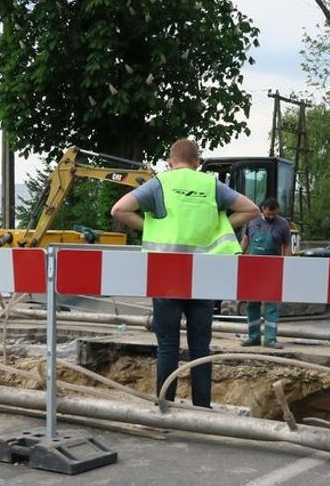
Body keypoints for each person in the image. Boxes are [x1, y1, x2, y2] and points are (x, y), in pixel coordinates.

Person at [111, 138, 260, 408]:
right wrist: (220, 224)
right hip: (202, 275)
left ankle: (165, 408)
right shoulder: (210, 185)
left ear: (170, 161)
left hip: (167, 275)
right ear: (197, 162)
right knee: (200, 347)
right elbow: (251, 210)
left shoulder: (161, 183)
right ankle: (201, 410)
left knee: (168, 346)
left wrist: (150, 228)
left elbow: (119, 209)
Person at [239, 196, 292, 348]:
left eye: (273, 214)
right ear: (263, 209)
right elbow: (245, 241)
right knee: (252, 304)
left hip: (272, 269)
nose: (271, 217)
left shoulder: (282, 224)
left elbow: (287, 245)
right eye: (268, 214)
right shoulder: (253, 222)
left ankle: (270, 339)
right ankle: (253, 337)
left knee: (271, 305)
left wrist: (288, 264)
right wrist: (238, 256)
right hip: (253, 269)